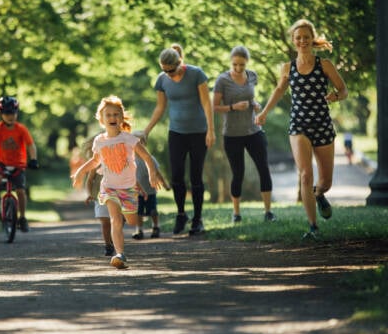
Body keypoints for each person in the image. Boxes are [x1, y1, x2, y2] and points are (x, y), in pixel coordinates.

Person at [255, 19, 347, 236]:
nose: (302, 41)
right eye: (298, 37)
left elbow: (343, 90)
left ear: (311, 39)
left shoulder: (324, 64)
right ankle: (313, 227)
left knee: (325, 182)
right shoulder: (288, 68)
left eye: (306, 37)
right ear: (293, 41)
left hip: (323, 124)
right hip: (299, 125)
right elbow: (279, 90)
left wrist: (336, 96)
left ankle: (319, 194)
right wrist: (264, 112)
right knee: (305, 174)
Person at [71, 95, 165, 269]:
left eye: (116, 114)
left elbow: (146, 157)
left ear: (122, 118)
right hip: (109, 188)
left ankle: (127, 227)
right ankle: (120, 254)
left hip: (128, 188)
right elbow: (94, 161)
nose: (113, 118)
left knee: (130, 221)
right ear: (101, 119)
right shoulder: (99, 141)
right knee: (115, 220)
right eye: (109, 115)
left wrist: (152, 174)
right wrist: (79, 172)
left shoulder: (129, 139)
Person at [144, 44, 216, 236]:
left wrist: (211, 130)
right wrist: (146, 131)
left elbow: (206, 103)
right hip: (176, 132)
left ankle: (197, 219)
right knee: (176, 177)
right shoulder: (162, 80)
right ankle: (181, 214)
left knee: (195, 177)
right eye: (164, 70)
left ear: (179, 63)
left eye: (171, 70)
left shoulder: (196, 74)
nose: (168, 73)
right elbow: (160, 108)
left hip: (199, 131)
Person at [213, 46, 276, 223]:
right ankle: (236, 213)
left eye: (242, 65)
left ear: (247, 62)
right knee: (238, 173)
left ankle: (268, 212)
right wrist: (233, 107)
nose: (239, 68)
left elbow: (251, 97)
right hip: (232, 134)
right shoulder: (222, 80)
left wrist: (255, 105)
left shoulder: (252, 76)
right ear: (231, 62)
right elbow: (214, 107)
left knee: (264, 168)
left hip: (253, 130)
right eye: (235, 65)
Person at [0, 96, 39, 232]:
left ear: (17, 113)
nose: (10, 116)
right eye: (7, 113)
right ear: (1, 114)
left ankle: (22, 218)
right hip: (2, 163)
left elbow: (31, 145)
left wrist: (34, 159)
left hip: (18, 165)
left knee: (21, 191)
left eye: (13, 113)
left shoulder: (21, 129)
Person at [131, 131, 170, 239]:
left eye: (141, 142)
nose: (138, 144)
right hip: (137, 192)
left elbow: (158, 173)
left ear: (145, 143)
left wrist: (165, 184)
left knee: (153, 210)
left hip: (150, 191)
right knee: (139, 212)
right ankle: (139, 230)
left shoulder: (150, 159)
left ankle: (155, 227)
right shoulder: (131, 160)